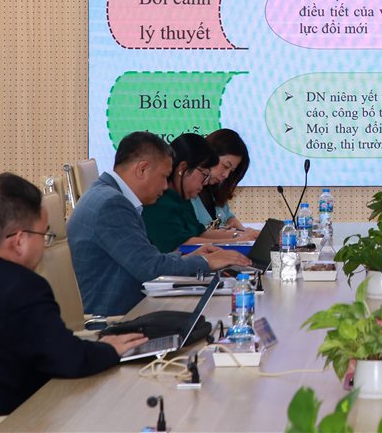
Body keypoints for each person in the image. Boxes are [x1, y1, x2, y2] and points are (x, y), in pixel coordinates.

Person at [0, 173, 147, 415]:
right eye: (44, 236)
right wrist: (109, 349)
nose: (45, 245)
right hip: (21, 421)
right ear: (19, 241)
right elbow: (69, 360)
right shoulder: (24, 287)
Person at [68, 131, 250, 316]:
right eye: (163, 176)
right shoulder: (112, 205)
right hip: (114, 318)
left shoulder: (107, 195)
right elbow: (151, 269)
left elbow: (146, 260)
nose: (164, 186)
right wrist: (206, 262)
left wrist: (188, 258)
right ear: (142, 169)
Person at [141, 133, 256, 253]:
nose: (205, 182)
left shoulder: (182, 199)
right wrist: (237, 241)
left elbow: (200, 233)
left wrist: (242, 237)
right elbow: (180, 245)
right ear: (182, 169)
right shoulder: (159, 201)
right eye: (204, 174)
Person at [194, 128, 251, 231]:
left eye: (231, 171)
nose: (226, 175)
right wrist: (238, 236)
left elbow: (229, 218)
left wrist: (246, 232)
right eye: (225, 166)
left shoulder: (216, 190)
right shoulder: (187, 190)